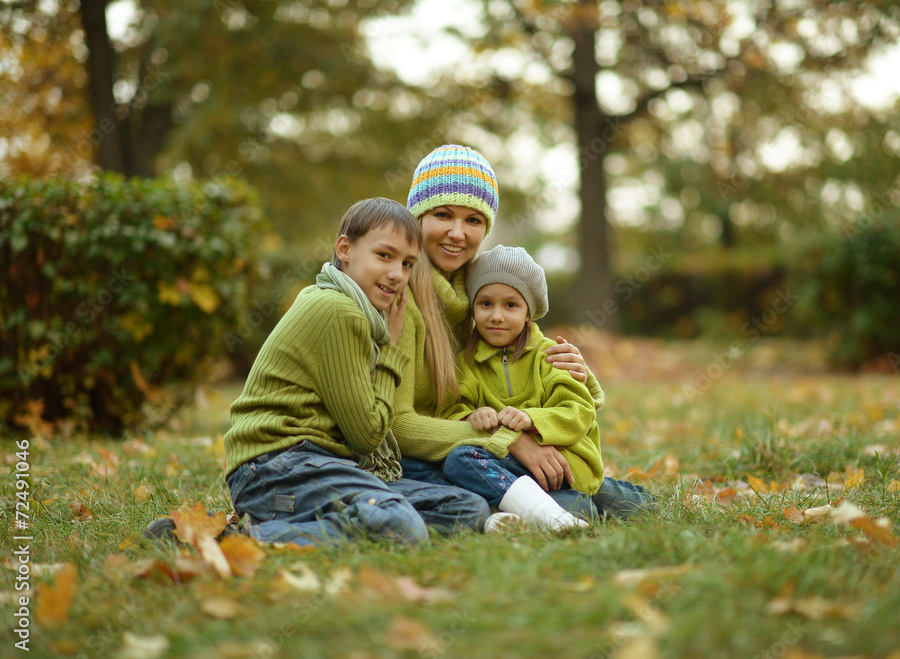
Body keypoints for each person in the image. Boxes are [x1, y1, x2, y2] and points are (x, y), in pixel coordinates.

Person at [391, 145, 652, 522]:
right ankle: (561, 507)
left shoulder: (476, 295)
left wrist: (581, 375)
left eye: (473, 220)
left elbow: (569, 399)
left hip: (500, 450)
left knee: (601, 492)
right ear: (417, 217)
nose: (457, 232)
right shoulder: (398, 295)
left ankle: (592, 497)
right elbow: (405, 421)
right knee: (473, 479)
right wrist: (512, 441)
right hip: (442, 452)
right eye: (442, 214)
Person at [219, 197, 490, 547]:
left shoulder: (361, 313)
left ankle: (345, 521)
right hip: (276, 467)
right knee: (400, 526)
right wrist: (390, 354)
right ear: (345, 248)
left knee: (465, 509)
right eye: (384, 256)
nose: (397, 274)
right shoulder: (337, 310)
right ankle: (229, 540)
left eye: (408, 264)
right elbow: (367, 435)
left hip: (323, 464)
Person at [442, 245, 653, 531]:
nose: (497, 316)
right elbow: (453, 408)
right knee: (459, 461)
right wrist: (471, 415)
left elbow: (579, 412)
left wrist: (532, 419)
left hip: (564, 468)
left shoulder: (552, 356)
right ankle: (548, 510)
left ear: (529, 313)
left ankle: (632, 498)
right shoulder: (465, 363)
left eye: (511, 305)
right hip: (510, 467)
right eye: (486, 304)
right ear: (472, 308)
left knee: (634, 507)